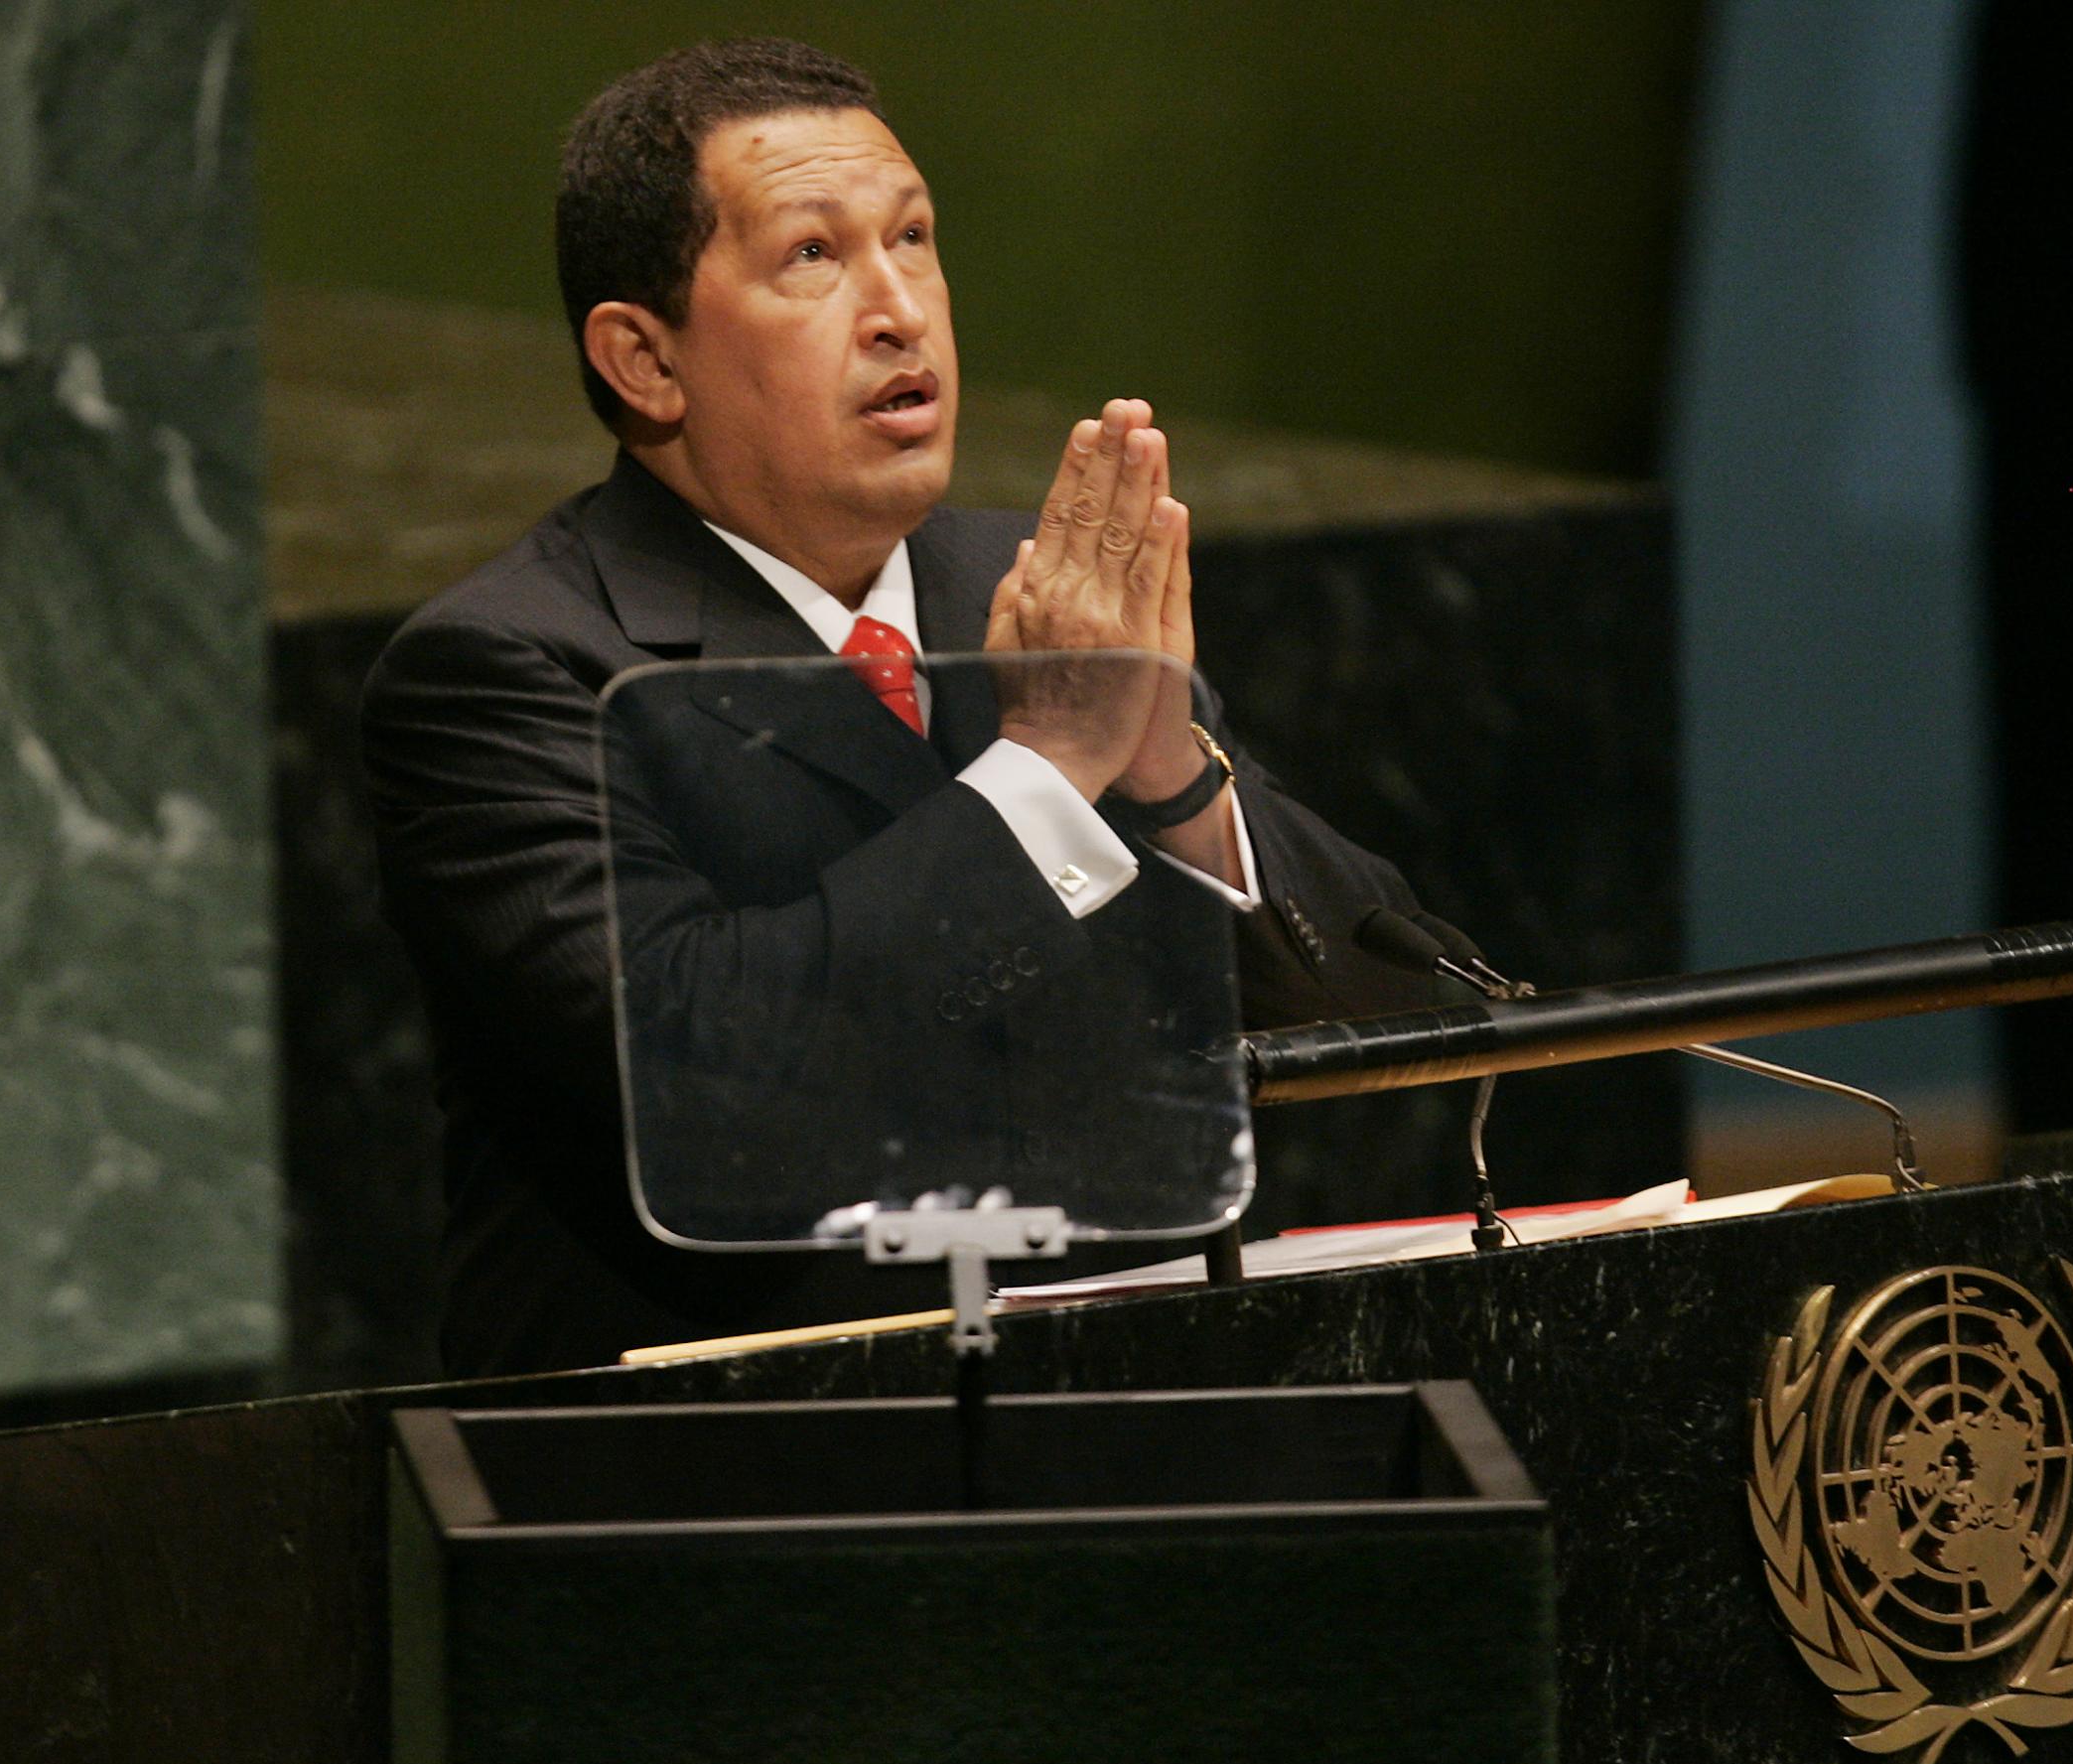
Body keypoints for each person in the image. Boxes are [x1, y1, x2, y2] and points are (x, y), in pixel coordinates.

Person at [362, 38, 1430, 1376]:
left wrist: (1171, 779)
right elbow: (704, 1075)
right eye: (813, 255)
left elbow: (1404, 1015)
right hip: (723, 1480)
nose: (899, 309)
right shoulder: (508, 667)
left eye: (914, 239)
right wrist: (1046, 771)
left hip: (1126, 1432)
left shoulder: (1038, 592)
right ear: (644, 360)